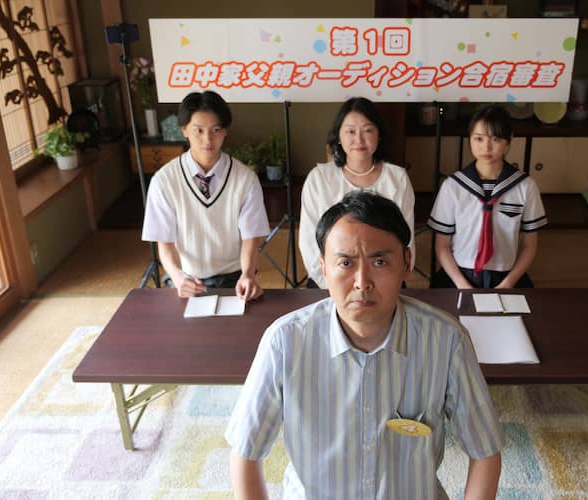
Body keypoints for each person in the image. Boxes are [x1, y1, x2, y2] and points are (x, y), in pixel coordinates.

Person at [227, 191, 503, 499]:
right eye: (345, 262)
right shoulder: (283, 342)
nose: (362, 282)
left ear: (407, 262)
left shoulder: (446, 340)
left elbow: (485, 451)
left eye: (380, 261)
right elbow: (245, 453)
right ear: (323, 268)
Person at [142, 90, 270, 300]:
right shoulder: (164, 181)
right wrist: (178, 278)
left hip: (234, 276)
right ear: (184, 130)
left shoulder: (245, 179)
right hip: (187, 277)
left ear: (225, 131)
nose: (207, 139)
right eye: (198, 130)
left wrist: (247, 274)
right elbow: (164, 243)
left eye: (215, 130)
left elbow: (251, 237)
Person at [298, 97, 415, 288]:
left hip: (383, 282)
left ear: (379, 134)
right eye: (350, 131)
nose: (359, 140)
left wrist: (387, 283)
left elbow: (406, 239)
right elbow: (308, 242)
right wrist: (331, 285)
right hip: (331, 281)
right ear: (338, 136)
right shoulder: (319, 178)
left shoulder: (397, 178)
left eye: (367, 130)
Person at [428, 105, 547, 289]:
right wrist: (462, 285)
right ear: (469, 138)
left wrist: (507, 284)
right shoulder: (453, 186)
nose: (486, 147)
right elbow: (442, 246)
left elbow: (529, 246)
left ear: (509, 139)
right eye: (479, 138)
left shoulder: (525, 186)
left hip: (506, 276)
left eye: (495, 138)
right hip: (458, 275)